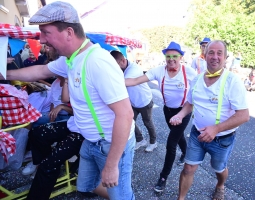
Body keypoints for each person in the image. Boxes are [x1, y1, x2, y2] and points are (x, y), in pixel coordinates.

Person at [3, 1, 135, 200]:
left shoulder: (97, 62)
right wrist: (4, 73)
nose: (42, 40)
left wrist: (111, 165)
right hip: (90, 140)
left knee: (121, 196)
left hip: (110, 143)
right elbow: (40, 70)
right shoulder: (71, 59)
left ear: (69, 32)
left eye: (46, 33)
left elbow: (125, 114)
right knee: (84, 188)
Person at [169, 40, 249, 200]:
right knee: (188, 168)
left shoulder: (232, 81)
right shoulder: (197, 79)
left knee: (219, 169)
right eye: (211, 52)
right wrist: (180, 114)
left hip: (222, 139)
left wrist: (216, 128)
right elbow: (190, 103)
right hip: (197, 133)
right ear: (204, 56)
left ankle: (220, 185)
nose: (215, 56)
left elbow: (244, 115)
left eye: (220, 53)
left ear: (225, 57)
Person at [125, 41, 197, 192]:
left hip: (183, 111)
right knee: (177, 136)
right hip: (168, 111)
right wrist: (113, 81)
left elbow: (201, 88)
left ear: (181, 57)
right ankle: (185, 152)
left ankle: (163, 177)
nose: (171, 59)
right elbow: (137, 80)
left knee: (171, 143)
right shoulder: (159, 71)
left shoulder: (189, 72)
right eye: (168, 56)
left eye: (174, 56)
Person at [110, 50, 157, 152]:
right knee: (129, 121)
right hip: (132, 102)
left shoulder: (134, 69)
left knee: (148, 122)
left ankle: (153, 142)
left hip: (144, 101)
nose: (114, 68)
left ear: (122, 61)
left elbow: (123, 83)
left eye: (115, 65)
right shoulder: (120, 68)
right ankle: (140, 139)